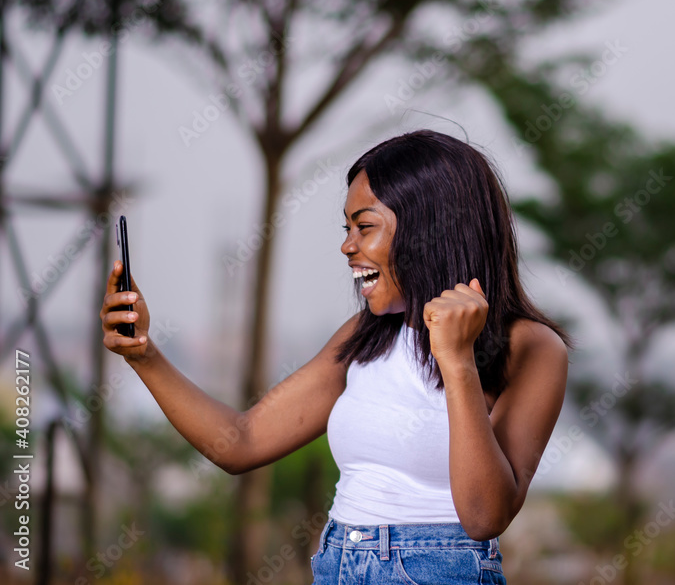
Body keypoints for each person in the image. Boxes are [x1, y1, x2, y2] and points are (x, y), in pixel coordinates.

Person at [100, 129, 573, 584]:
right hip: (338, 565)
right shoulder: (366, 336)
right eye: (347, 228)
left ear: (429, 230)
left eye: (364, 226)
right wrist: (144, 355)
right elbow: (240, 443)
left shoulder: (531, 347)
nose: (347, 246)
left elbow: (485, 515)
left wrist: (456, 360)